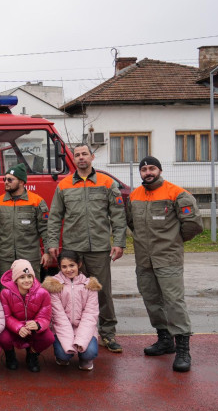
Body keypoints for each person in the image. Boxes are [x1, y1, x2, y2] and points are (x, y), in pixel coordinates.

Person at [46, 143, 126, 353]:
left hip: (99, 248)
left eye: (84, 154)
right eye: (77, 155)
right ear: (74, 159)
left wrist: (119, 241)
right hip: (73, 250)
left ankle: (108, 334)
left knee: (102, 292)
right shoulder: (64, 185)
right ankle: (75, 332)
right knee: (72, 294)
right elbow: (54, 217)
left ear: (92, 157)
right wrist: (52, 242)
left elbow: (118, 215)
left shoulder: (107, 183)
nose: (81, 158)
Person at [126, 156, 203, 372]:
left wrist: (174, 241)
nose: (148, 172)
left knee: (174, 302)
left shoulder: (177, 193)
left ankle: (182, 349)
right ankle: (164, 339)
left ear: (160, 170)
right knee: (151, 299)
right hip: (144, 259)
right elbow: (131, 221)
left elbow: (193, 224)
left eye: (152, 168)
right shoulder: (134, 195)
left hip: (168, 258)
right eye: (144, 169)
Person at [0, 163, 51, 289]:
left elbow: (45, 229)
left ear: (22, 182)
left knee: (32, 293)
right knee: (6, 293)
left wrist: (48, 252)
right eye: (4, 179)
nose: (6, 182)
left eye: (10, 179)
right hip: (5, 258)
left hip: (30, 257)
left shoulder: (37, 201)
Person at [41, 250, 100, 371]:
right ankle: (62, 355)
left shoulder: (90, 286)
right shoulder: (54, 285)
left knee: (89, 352)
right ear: (59, 267)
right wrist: (69, 345)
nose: (68, 270)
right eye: (64, 266)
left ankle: (85, 358)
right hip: (62, 329)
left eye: (72, 265)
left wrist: (81, 342)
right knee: (64, 355)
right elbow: (59, 317)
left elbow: (90, 316)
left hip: (83, 328)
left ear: (79, 264)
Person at [0, 259, 54, 372]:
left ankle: (32, 354)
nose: (27, 280)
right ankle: (10, 354)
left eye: (29, 276)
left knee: (48, 337)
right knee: (3, 337)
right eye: (22, 277)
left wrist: (38, 324)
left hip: (31, 328)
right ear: (15, 279)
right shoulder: (5, 293)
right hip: (14, 328)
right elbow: (6, 316)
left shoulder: (43, 293)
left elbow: (45, 316)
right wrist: (18, 327)